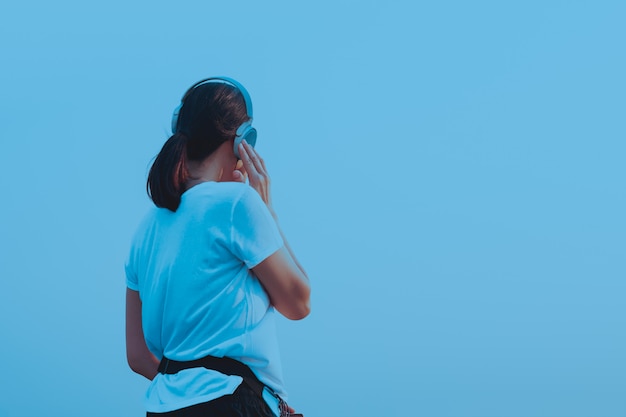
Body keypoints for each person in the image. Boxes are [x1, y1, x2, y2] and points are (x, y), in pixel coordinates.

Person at [125, 77, 310, 417]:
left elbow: (137, 356)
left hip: (163, 406)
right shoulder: (238, 203)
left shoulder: (145, 228)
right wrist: (268, 212)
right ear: (242, 141)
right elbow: (299, 302)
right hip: (233, 402)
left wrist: (188, 390)